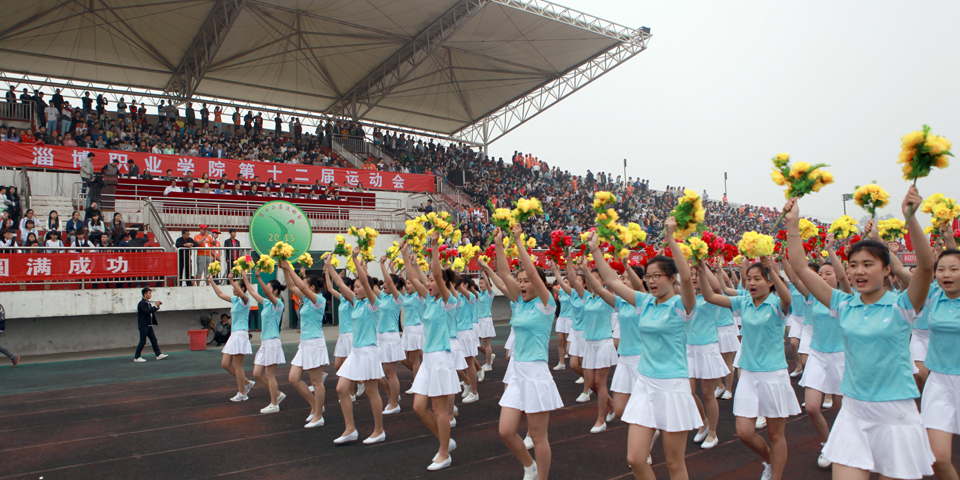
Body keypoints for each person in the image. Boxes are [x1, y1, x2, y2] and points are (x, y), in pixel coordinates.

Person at [784, 188, 935, 480]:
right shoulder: (843, 304)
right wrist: (792, 225)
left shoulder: (902, 305)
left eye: (868, 264)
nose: (859, 271)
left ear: (887, 269)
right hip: (854, 411)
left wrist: (911, 218)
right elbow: (801, 268)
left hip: (896, 413)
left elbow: (926, 267)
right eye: (853, 265)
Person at [699, 253, 800, 480]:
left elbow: (787, 299)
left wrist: (771, 268)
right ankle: (770, 460)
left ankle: (776, 475)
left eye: (758, 279)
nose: (752, 283)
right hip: (748, 374)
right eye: (750, 279)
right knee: (744, 432)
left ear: (770, 282)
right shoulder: (743, 301)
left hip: (774, 375)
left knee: (776, 434)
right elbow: (709, 296)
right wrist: (702, 267)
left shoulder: (777, 304)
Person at [495, 225, 563, 480]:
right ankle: (529, 466)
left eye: (526, 281)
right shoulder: (519, 303)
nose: (522, 284)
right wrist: (500, 245)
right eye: (519, 280)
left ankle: (542, 477)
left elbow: (534, 273)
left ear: (538, 284)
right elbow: (503, 273)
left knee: (538, 435)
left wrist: (518, 241)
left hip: (536, 374)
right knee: (506, 431)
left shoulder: (547, 304)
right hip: (518, 372)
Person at [401, 239, 460, 471]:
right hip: (428, 359)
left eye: (433, 280)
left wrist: (434, 247)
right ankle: (445, 442)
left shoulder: (448, 301)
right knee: (418, 407)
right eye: (428, 280)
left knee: (439, 409)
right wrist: (406, 254)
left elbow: (436, 270)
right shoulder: (429, 300)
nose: (429, 282)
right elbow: (412, 276)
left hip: (441, 359)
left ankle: (444, 453)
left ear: (444, 283)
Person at [325, 253, 386, 445]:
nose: (355, 289)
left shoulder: (373, 305)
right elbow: (340, 285)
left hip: (368, 352)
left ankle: (379, 430)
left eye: (358, 286)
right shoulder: (356, 303)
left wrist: (354, 260)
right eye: (355, 286)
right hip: (355, 352)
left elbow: (367, 286)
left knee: (371, 392)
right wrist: (329, 266)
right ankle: (350, 429)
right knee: (341, 388)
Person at [280, 260, 330, 428]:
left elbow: (300, 287)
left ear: (313, 288)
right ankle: (315, 406)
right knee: (293, 378)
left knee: (316, 382)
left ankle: (319, 416)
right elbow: (292, 287)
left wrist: (289, 267)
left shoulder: (319, 300)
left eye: (307, 285)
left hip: (315, 343)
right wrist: (285, 270)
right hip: (305, 344)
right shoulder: (307, 300)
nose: (303, 286)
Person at [242, 270, 287, 415]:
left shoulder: (278, 303)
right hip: (265, 342)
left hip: (272, 342)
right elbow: (252, 292)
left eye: (269, 287)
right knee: (256, 373)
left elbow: (266, 294)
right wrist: (244, 276)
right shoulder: (267, 303)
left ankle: (274, 403)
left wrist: (259, 277)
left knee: (270, 375)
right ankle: (278, 394)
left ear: (274, 290)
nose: (266, 290)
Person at [206, 273, 256, 402]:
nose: (234, 289)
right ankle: (247, 382)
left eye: (237, 287)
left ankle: (242, 393)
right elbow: (220, 294)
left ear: (243, 289)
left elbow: (243, 295)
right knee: (225, 364)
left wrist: (232, 281)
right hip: (234, 335)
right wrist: (211, 281)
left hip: (241, 334)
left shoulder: (246, 300)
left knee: (238, 366)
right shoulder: (235, 300)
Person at [377, 257, 406, 415]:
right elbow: (368, 285)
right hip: (380, 338)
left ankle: (394, 403)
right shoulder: (383, 297)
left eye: (387, 283)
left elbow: (388, 279)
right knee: (378, 372)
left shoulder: (397, 298)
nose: (383, 285)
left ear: (394, 285)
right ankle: (393, 397)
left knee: (390, 373)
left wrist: (382, 265)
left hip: (390, 337)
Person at [135, 288, 169, 362]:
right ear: (145, 294)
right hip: (143, 325)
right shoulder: (141, 304)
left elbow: (150, 312)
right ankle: (137, 357)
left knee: (154, 340)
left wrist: (156, 307)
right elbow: (147, 312)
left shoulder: (147, 303)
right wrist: (155, 306)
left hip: (149, 325)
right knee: (143, 341)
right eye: (149, 293)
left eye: (150, 293)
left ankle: (158, 354)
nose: (150, 295)